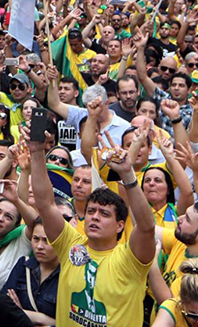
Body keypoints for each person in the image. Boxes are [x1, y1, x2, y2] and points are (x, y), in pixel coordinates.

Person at [29, 122, 156, 327]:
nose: (95, 217)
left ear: (120, 226)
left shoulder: (131, 259)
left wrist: (127, 174)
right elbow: (45, 204)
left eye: (104, 214)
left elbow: (147, 227)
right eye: (91, 211)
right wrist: (36, 152)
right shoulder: (70, 244)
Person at [1, 218, 59, 326]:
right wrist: (44, 319)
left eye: (47, 240)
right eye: (36, 239)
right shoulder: (23, 265)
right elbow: (4, 307)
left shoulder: (67, 274)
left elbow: (67, 322)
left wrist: (23, 314)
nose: (39, 246)